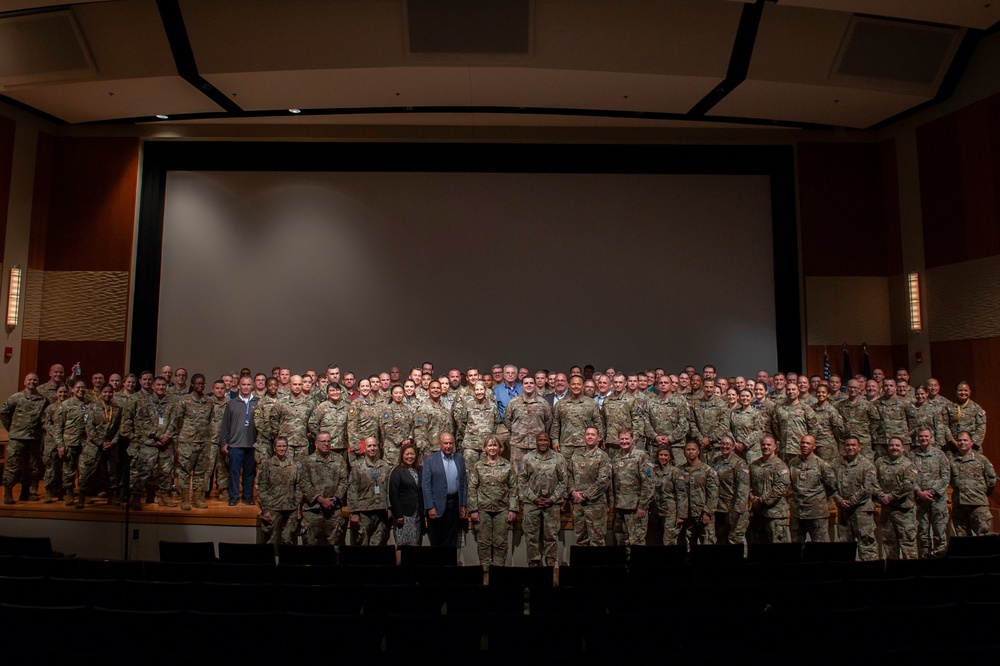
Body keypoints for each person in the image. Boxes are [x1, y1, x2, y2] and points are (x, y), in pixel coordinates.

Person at [468, 435, 517, 571]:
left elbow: (513, 488)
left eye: (495, 445)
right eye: (490, 445)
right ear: (485, 448)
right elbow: (472, 488)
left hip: (502, 510)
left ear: (500, 448)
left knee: (500, 543)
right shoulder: (478, 466)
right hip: (482, 510)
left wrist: (513, 509)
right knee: (484, 543)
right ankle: (485, 572)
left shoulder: (507, 466)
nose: (492, 448)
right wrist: (473, 510)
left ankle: (498, 573)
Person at [518, 432, 566, 567]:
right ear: (536, 442)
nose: (543, 442)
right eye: (540, 440)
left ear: (549, 442)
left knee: (551, 537)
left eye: (545, 440)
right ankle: (534, 568)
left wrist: (552, 499)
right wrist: (534, 498)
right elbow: (522, 481)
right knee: (531, 537)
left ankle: (550, 567)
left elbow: (563, 482)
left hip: (552, 505)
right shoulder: (528, 458)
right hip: (532, 504)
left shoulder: (559, 458)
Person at [169, 374, 214, 510]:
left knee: (200, 472)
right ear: (192, 384)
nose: (200, 385)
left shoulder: (208, 401)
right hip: (187, 442)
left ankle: (197, 498)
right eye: (198, 383)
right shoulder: (185, 400)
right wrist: (179, 439)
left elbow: (211, 419)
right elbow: (177, 420)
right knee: (184, 471)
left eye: (202, 383)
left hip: (204, 441)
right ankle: (184, 499)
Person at [1, 373, 47, 504]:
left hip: (34, 439)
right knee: (13, 466)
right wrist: (11, 428)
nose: (32, 382)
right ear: (24, 382)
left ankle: (25, 493)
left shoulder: (42, 400)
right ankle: (8, 493)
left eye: (35, 380)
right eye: (30, 380)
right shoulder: (16, 397)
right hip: (17, 438)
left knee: (32, 467)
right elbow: (4, 412)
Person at [831, 435, 879, 561]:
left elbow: (868, 488)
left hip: (861, 510)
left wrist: (851, 501)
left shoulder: (867, 465)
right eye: (848, 445)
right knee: (845, 546)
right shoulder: (836, 464)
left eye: (853, 445)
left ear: (859, 447)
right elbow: (831, 485)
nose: (850, 447)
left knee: (867, 544)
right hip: (844, 510)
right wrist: (839, 500)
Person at [299, 431, 349, 547]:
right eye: (323, 441)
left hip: (333, 509)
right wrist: (321, 499)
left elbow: (344, 481)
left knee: (335, 547)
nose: (326, 444)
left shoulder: (339, 460)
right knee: (310, 546)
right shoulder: (307, 461)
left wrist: (335, 499)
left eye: (328, 441)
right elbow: (304, 483)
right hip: (313, 510)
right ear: (316, 443)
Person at [77, 384, 122, 508]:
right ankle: (82, 496)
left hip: (111, 445)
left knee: (111, 472)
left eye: (110, 392)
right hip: (94, 445)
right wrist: (100, 442)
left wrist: (113, 441)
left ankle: (112, 496)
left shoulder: (117, 408)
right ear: (101, 393)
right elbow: (89, 427)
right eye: (105, 392)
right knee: (88, 471)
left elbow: (120, 427)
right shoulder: (92, 407)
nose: (108, 394)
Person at [421, 432, 468, 548]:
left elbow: (463, 483)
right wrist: (430, 507)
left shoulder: (459, 459)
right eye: (445, 443)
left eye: (450, 443)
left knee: (451, 541)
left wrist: (463, 505)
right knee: (437, 542)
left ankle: (449, 565)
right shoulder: (430, 460)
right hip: (436, 507)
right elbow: (426, 485)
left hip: (454, 505)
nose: (448, 446)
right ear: (440, 444)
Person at [219, 376, 259, 506]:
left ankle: (247, 497)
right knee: (234, 472)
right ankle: (234, 496)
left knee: (250, 473)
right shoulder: (231, 403)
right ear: (239, 386)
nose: (246, 387)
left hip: (252, 444)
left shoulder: (258, 402)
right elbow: (225, 424)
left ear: (252, 385)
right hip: (235, 444)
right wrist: (224, 442)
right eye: (243, 384)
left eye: (248, 384)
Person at [876, 437, 919, 559]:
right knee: (889, 547)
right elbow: (873, 481)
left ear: (903, 448)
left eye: (897, 445)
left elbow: (907, 485)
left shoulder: (910, 466)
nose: (894, 448)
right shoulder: (879, 463)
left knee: (908, 547)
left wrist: (891, 497)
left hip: (904, 512)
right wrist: (880, 494)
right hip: (887, 511)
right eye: (891, 445)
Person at [569, 427, 612, 547]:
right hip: (578, 504)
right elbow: (569, 475)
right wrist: (573, 492)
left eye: (593, 434)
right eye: (587, 434)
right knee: (580, 540)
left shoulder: (603, 456)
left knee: (597, 541)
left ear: (598, 438)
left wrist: (586, 494)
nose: (590, 437)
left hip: (596, 505)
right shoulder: (576, 455)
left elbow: (604, 480)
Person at [911, 426, 950, 557]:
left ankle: (940, 562)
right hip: (920, 501)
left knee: (939, 532)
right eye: (921, 436)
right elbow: (908, 478)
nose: (923, 438)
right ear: (917, 438)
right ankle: (925, 561)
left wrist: (932, 491)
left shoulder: (940, 455)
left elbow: (946, 476)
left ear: (931, 438)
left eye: (926, 436)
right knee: (922, 534)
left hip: (937, 501)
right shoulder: (912, 455)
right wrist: (919, 492)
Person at [787, 435, 835, 542]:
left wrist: (817, 498)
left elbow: (831, 486)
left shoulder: (822, 464)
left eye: (808, 443)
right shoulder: (793, 463)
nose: (804, 445)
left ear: (814, 447)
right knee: (797, 548)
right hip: (797, 512)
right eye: (803, 443)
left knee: (818, 549)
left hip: (816, 513)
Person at [611, 431, 654, 547]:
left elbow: (648, 483)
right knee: (621, 541)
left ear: (633, 439)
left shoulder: (641, 456)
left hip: (635, 508)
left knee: (637, 542)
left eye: (626, 439)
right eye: (622, 439)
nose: (624, 441)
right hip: (619, 507)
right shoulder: (616, 457)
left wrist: (642, 506)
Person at [950, 430, 996, 536]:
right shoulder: (953, 461)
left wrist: (983, 493)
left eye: (965, 440)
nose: (962, 442)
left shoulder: (981, 460)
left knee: (983, 536)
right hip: (959, 505)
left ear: (971, 442)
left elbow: (991, 480)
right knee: (962, 539)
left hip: (978, 504)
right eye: (960, 440)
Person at [257, 437, 300, 550]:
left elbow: (298, 487)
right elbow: (261, 488)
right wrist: (265, 509)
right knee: (270, 541)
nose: (282, 448)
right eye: (279, 446)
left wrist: (298, 507)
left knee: (288, 541)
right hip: (273, 508)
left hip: (290, 509)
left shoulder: (293, 465)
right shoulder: (267, 464)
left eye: (284, 446)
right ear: (274, 448)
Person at [551, 375, 603, 466]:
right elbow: (556, 423)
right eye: (573, 384)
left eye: (578, 384)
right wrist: (554, 440)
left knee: (584, 473)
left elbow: (598, 423)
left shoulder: (591, 403)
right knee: (565, 473)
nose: (576, 386)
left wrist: (597, 441)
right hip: (565, 445)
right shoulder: (561, 404)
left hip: (585, 445)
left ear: (583, 386)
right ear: (569, 386)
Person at [504, 376, 553, 473]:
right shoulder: (513, 403)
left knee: (537, 473)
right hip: (518, 445)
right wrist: (517, 432)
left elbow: (548, 421)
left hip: (537, 445)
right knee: (517, 474)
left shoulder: (543, 403)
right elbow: (507, 420)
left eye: (531, 383)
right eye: (526, 383)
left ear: (535, 385)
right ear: (521, 386)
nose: (529, 385)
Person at [349, 437, 392, 546]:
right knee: (362, 544)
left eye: (374, 446)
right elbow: (352, 490)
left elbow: (389, 489)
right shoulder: (357, 467)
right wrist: (354, 512)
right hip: (364, 512)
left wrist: (390, 507)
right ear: (365, 448)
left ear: (378, 447)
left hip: (381, 511)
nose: (372, 448)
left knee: (378, 545)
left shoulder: (385, 466)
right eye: (369, 446)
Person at [748, 435, 790, 544]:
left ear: (775, 447)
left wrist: (762, 500)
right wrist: (752, 498)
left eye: (769, 445)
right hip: (757, 514)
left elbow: (781, 487)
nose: (765, 447)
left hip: (775, 514)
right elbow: (748, 485)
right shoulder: (754, 465)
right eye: (763, 445)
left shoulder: (780, 466)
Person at [678, 440, 719, 547]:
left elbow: (713, 494)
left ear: (698, 452)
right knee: (687, 545)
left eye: (693, 449)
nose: (690, 452)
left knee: (707, 543)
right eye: (688, 450)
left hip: (703, 513)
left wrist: (708, 512)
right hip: (687, 515)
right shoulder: (680, 471)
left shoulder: (707, 470)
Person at [713, 435, 750, 546]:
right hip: (720, 508)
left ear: (733, 447)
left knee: (736, 540)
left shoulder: (739, 463)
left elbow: (743, 489)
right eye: (722, 444)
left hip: (734, 509)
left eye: (728, 444)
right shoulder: (716, 461)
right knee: (721, 539)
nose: (724, 446)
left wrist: (738, 510)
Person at [452, 380, 498, 469]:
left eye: (481, 389)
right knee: (469, 471)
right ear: (474, 391)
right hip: (470, 445)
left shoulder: (492, 406)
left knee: (485, 471)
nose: (479, 392)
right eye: (477, 390)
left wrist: (489, 436)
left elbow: (495, 423)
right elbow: (462, 422)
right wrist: (469, 435)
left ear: (485, 390)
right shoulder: (468, 405)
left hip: (487, 445)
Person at [389, 440, 424, 547]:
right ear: (402, 455)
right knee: (402, 545)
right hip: (403, 515)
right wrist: (398, 515)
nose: (410, 457)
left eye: (412, 454)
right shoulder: (397, 471)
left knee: (415, 544)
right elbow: (393, 494)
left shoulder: (420, 470)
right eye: (407, 454)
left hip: (417, 515)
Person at [649, 447, 686, 546]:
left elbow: (682, 494)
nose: (663, 457)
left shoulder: (675, 472)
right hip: (656, 510)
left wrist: (681, 516)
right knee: (656, 540)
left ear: (670, 457)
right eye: (661, 455)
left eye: (666, 455)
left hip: (670, 512)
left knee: (669, 541)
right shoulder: (653, 470)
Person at [380, 385, 415, 469]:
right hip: (393, 448)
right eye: (396, 393)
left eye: (400, 393)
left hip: (407, 447)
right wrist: (401, 440)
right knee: (392, 472)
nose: (398, 395)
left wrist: (410, 439)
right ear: (392, 394)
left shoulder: (408, 409)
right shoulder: (388, 409)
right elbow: (388, 428)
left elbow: (413, 426)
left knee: (406, 471)